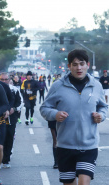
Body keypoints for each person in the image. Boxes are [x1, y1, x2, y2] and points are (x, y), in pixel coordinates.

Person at [40, 49, 108, 185]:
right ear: (69, 66)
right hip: (65, 146)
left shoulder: (96, 86)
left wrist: (101, 115)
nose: (79, 68)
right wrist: (55, 114)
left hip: (89, 146)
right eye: (75, 64)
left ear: (87, 65)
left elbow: (103, 106)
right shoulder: (58, 86)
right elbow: (44, 108)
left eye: (81, 64)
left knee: (84, 183)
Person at [0, 64, 14, 185]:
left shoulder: (4, 86)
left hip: (0, 120)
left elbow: (11, 99)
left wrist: (8, 109)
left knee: (0, 147)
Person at [0, 74, 23, 169]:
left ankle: (6, 160)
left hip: (11, 119)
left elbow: (21, 102)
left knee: (9, 139)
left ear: (9, 79)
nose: (4, 81)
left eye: (6, 79)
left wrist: (14, 109)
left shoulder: (14, 89)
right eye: (2, 79)